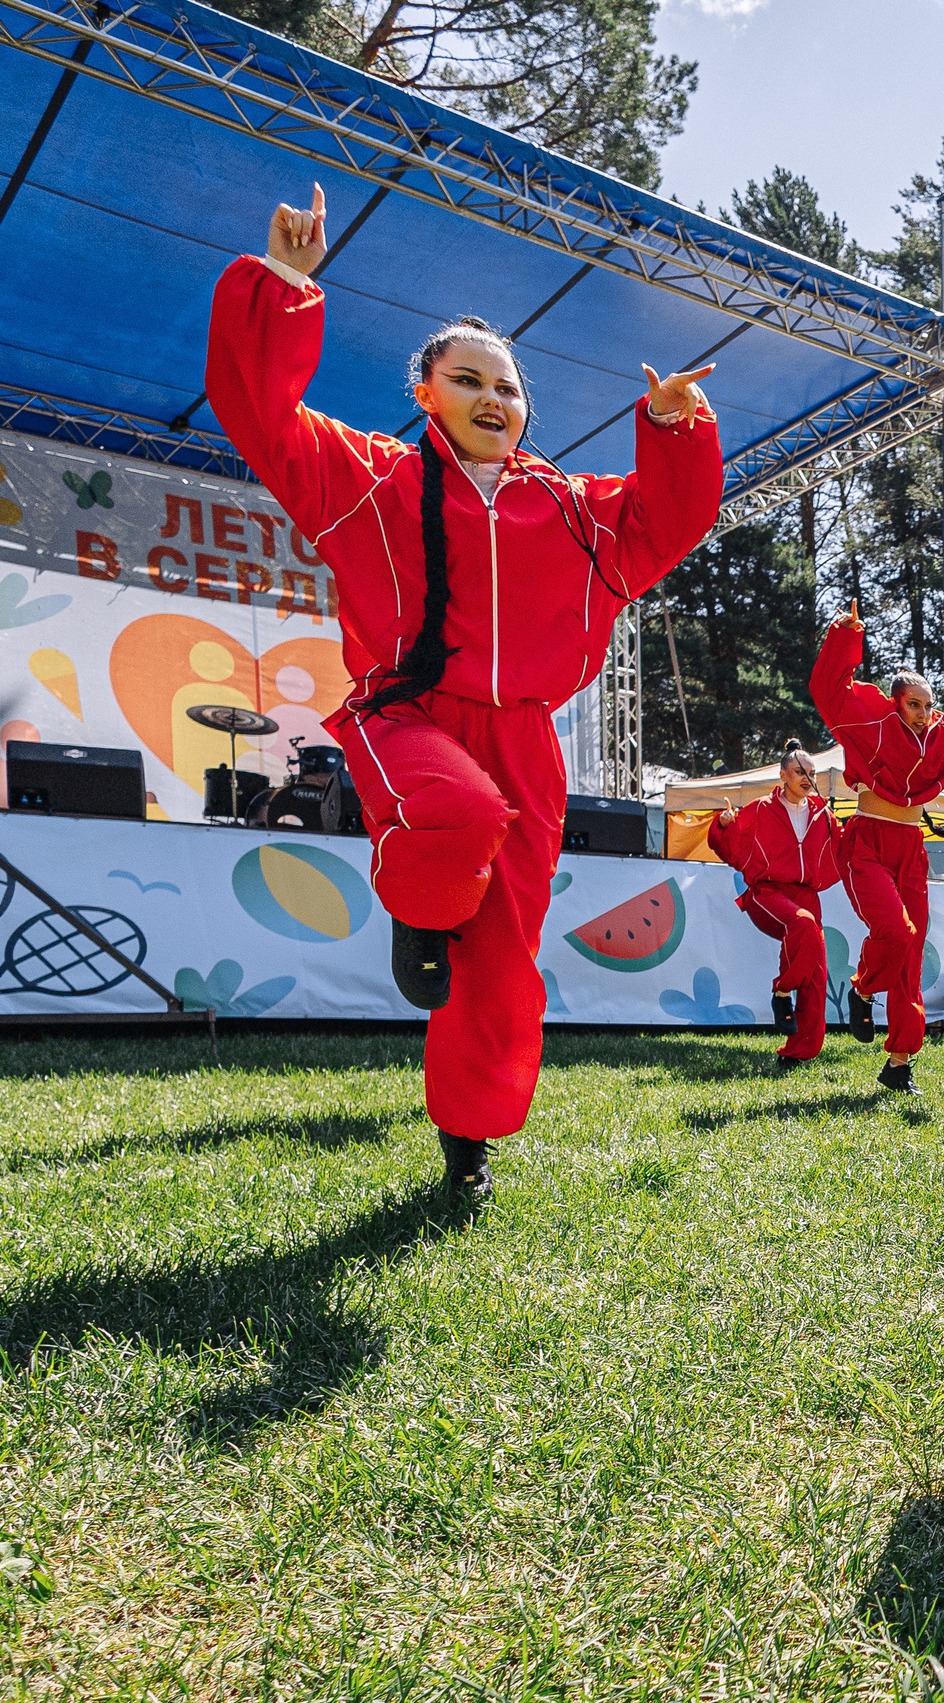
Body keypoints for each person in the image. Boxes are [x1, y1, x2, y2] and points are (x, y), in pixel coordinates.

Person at [208, 186, 724, 1198]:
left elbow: (670, 521)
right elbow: (258, 413)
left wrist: (669, 429)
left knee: (502, 972)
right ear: (429, 392)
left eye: (511, 385)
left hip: (526, 741)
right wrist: (286, 287)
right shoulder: (371, 478)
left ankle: (468, 1149)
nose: (497, 397)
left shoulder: (574, 511)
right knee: (455, 814)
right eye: (470, 379)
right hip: (407, 718)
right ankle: (421, 903)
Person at [810, 604, 944, 1095]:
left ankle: (900, 1062)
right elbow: (827, 691)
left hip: (912, 846)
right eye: (914, 705)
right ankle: (863, 987)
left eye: (929, 706)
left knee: (910, 948)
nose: (924, 714)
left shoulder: (942, 733)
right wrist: (846, 637)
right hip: (866, 842)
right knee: (897, 931)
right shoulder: (869, 719)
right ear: (895, 701)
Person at [710, 744, 840, 1063]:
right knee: (804, 925)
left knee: (815, 972)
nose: (807, 778)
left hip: (807, 895)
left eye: (812, 773)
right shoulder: (759, 809)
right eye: (800, 772)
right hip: (766, 894)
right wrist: (724, 825)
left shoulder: (823, 815)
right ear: (783, 775)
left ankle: (798, 1052)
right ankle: (782, 990)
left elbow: (846, 846)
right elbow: (727, 847)